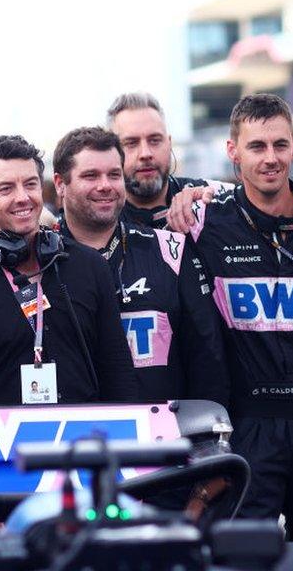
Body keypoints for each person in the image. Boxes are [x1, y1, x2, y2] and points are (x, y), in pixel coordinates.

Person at [172, 94, 293, 541]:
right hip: (248, 427)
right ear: (233, 152)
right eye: (256, 146)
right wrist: (192, 190)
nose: (270, 158)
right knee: (243, 556)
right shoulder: (200, 221)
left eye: (279, 145)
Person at [0, 135, 135, 406]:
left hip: (86, 442)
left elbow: (119, 375)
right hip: (3, 446)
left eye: (30, 184)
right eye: (6, 189)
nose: (22, 198)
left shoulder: (89, 266)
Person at [52, 126, 229, 406]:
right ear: (60, 184)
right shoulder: (38, 262)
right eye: (90, 176)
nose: (105, 186)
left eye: (114, 175)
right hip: (71, 438)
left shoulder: (169, 250)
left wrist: (205, 435)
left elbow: (207, 359)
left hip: (159, 438)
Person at [107, 93, 230, 229]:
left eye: (155, 140)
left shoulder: (206, 197)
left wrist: (211, 201)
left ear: (169, 143)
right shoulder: (99, 221)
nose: (145, 153)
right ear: (112, 152)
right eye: (131, 143)